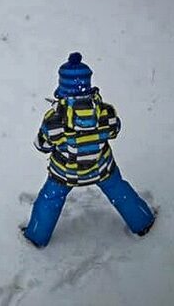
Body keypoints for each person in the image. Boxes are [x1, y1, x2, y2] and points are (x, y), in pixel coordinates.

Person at [23, 52, 155, 247]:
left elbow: (42, 145)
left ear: (61, 86)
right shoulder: (105, 111)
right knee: (119, 190)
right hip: (102, 168)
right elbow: (114, 129)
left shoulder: (54, 119)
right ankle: (142, 222)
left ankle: (36, 237)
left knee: (49, 200)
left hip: (65, 173)